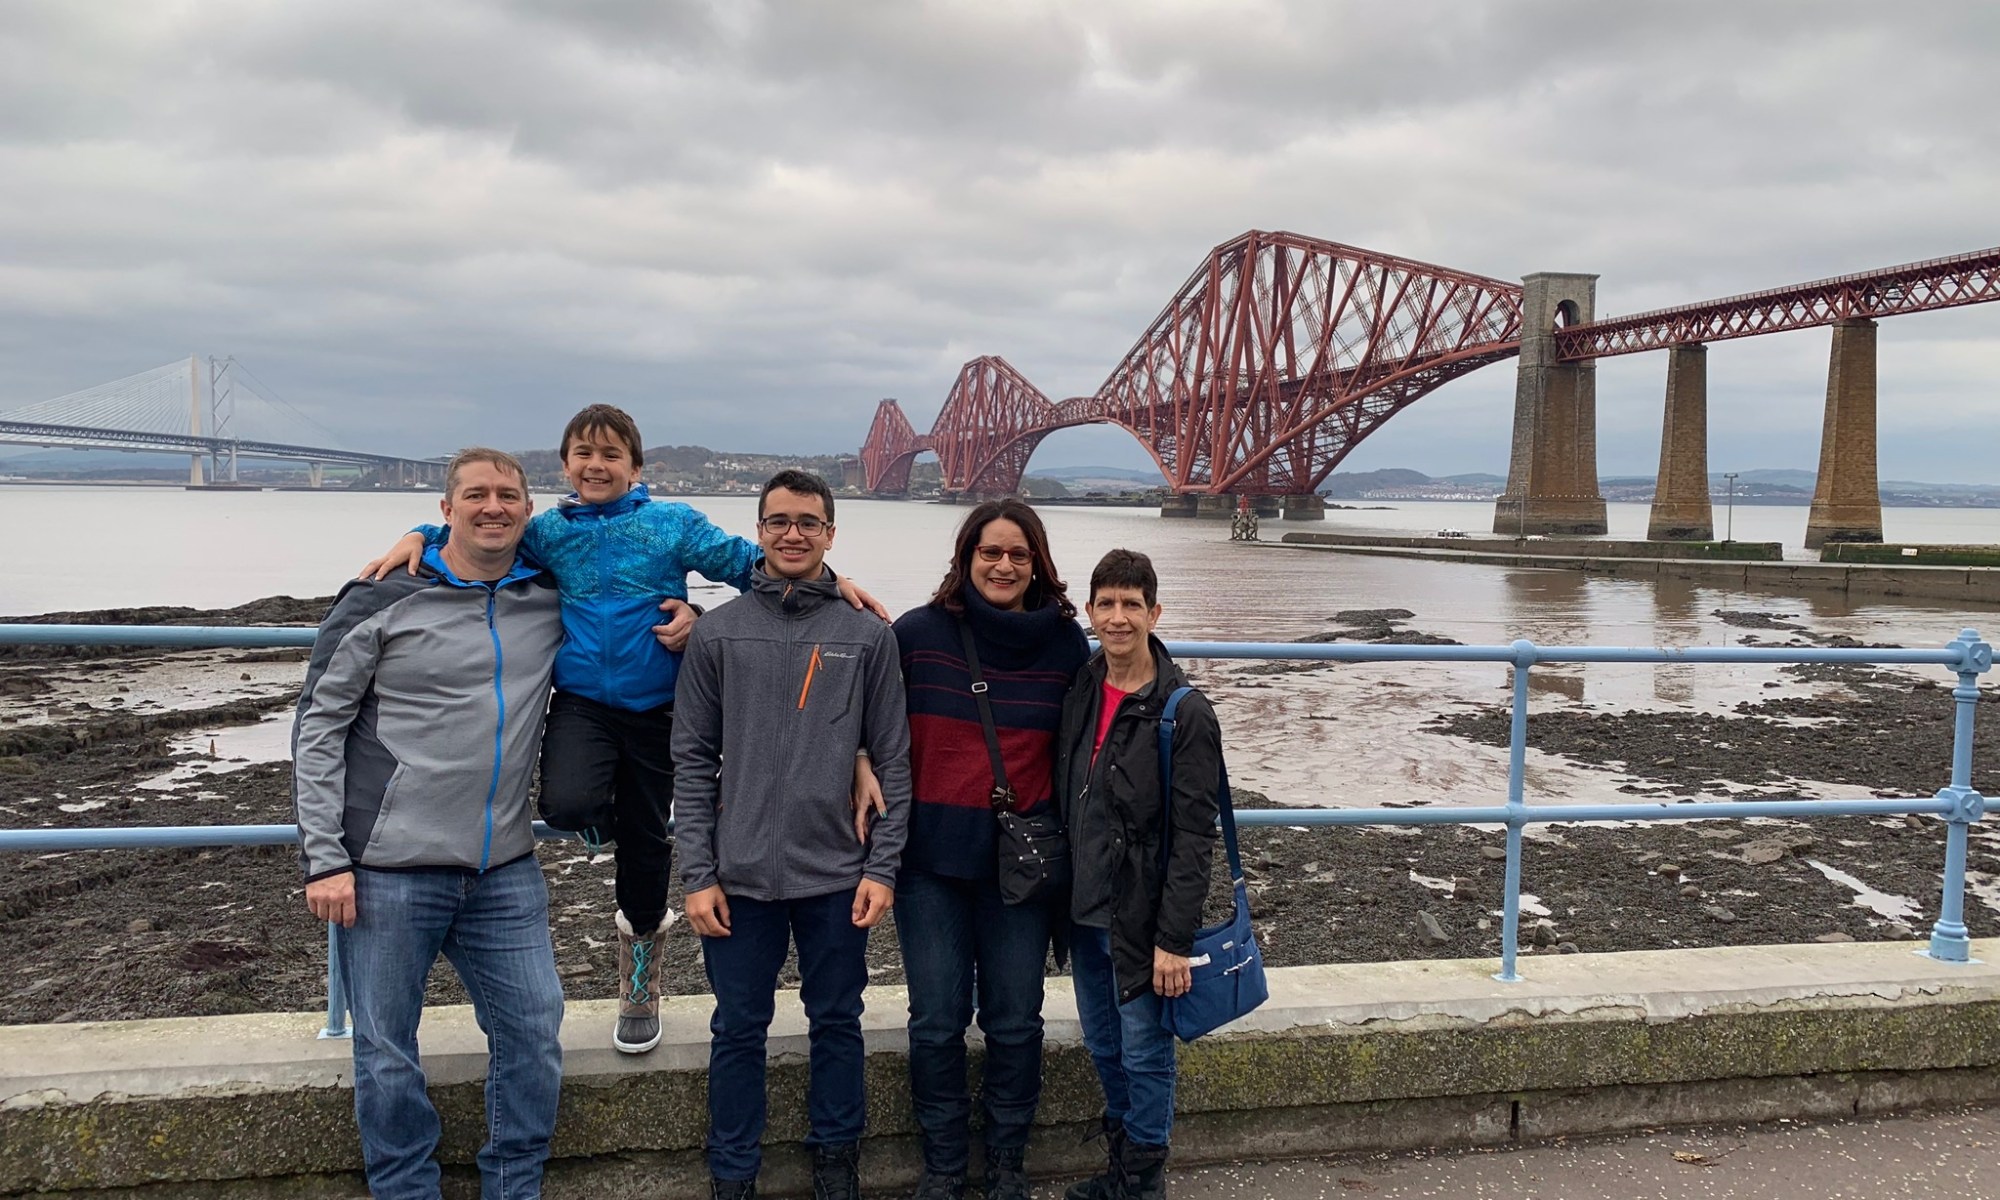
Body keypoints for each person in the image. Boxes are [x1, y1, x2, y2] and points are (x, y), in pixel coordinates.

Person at [363, 405, 883, 1056]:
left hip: (659, 708)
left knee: (646, 844)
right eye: (584, 452)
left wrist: (834, 586)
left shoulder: (669, 524)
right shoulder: (548, 532)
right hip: (582, 700)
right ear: (566, 465)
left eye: (612, 454)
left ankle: (640, 972)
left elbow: (759, 562)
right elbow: (483, 532)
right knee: (567, 803)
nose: (596, 464)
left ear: (636, 468)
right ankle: (606, 828)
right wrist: (418, 535)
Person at [293, 448, 567, 1200]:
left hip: (504, 868)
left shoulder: (548, 595)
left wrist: (688, 621)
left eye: (508, 495)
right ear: (444, 510)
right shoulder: (380, 596)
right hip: (385, 869)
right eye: (474, 495)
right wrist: (325, 858)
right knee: (385, 1052)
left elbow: (625, 590)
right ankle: (404, 1189)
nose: (493, 507)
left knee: (536, 1033)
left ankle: (513, 1186)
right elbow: (317, 727)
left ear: (527, 511)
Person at [672, 469, 912, 1200]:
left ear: (830, 534)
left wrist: (884, 868)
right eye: (778, 521)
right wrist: (697, 874)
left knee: (837, 1020)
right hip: (737, 876)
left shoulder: (866, 635)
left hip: (837, 870)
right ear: (759, 531)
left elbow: (894, 758)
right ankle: (733, 1173)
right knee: (737, 1028)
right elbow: (690, 759)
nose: (793, 534)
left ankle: (837, 1163)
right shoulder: (717, 631)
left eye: (808, 522)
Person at [867, 500, 1088, 1200]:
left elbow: (1092, 740)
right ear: (965, 558)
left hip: (1020, 869)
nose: (1003, 565)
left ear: (1038, 565)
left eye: (1018, 555)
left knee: (1017, 1020)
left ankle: (1006, 1162)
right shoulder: (916, 636)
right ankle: (941, 1164)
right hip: (930, 861)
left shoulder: (1065, 646)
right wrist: (856, 762)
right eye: (989, 552)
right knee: (935, 1022)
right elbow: (862, 712)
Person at [1054, 549, 1222, 1200]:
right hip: (1085, 910)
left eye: (1132, 605)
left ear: (1155, 613)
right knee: (1104, 1046)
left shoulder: (1185, 714)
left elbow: (1193, 841)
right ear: (1090, 612)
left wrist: (1174, 940)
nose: (1118, 617)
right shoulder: (1081, 688)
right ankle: (1122, 1171)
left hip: (1141, 920)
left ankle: (1141, 1185)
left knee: (1147, 1055)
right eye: (1106, 604)